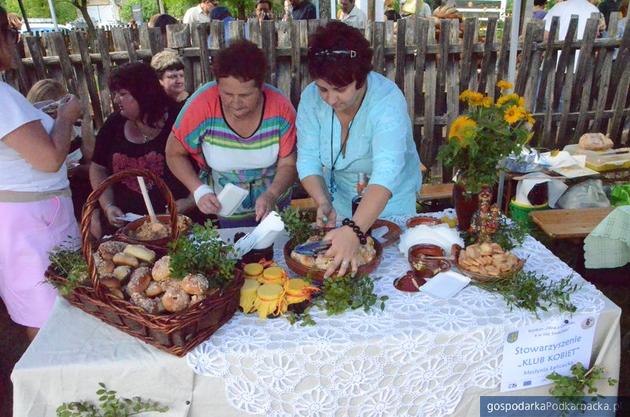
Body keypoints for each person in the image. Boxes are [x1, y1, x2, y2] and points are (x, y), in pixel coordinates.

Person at [296, 22, 421, 278]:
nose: (330, 99)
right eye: (323, 89)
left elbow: (385, 176)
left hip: (390, 205)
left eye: (340, 89)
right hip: (340, 202)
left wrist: (354, 230)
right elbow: (307, 159)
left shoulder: (387, 102)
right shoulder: (310, 98)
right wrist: (322, 201)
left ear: (361, 78)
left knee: (388, 275)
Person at [0, 6, 82, 340]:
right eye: (11, 36)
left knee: (45, 308)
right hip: (35, 222)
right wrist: (65, 117)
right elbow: (48, 160)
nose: (15, 44)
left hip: (22, 218)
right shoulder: (2, 98)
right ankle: (59, 389)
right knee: (51, 317)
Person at [166, 40, 297, 228]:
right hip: (225, 206)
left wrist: (272, 194)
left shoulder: (281, 108)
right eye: (227, 94)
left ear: (261, 87)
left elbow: (288, 163)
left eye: (245, 95)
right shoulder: (202, 105)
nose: (235, 103)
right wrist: (199, 190)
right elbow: (173, 153)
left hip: (274, 204)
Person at [89, 62, 192, 237]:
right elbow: (98, 167)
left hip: (177, 224)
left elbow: (203, 166)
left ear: (144, 94)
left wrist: (190, 201)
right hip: (127, 227)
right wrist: (108, 206)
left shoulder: (179, 120)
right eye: (116, 94)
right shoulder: (114, 125)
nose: (116, 100)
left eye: (122, 94)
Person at [27, 79, 95, 221]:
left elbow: (93, 164)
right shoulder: (31, 135)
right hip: (49, 195)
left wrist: (75, 170)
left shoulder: (76, 128)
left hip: (79, 189)